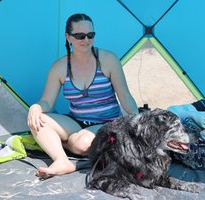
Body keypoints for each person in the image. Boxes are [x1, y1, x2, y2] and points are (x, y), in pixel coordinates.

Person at [27, 13, 139, 178]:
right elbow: (47, 102)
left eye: (90, 35)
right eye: (80, 36)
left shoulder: (108, 59)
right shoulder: (59, 67)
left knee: (81, 144)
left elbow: (125, 96)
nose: (86, 40)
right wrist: (35, 107)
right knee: (36, 120)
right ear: (68, 37)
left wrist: (137, 122)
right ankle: (61, 160)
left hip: (107, 122)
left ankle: (62, 142)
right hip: (76, 122)